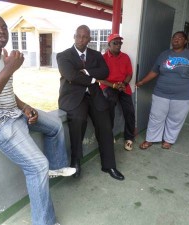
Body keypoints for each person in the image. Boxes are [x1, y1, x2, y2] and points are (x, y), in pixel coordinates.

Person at [0, 15, 75, 225]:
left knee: (55, 125)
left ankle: (56, 167)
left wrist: (24, 107)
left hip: (13, 114)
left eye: (4, 27)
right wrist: (9, 68)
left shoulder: (2, 57)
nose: (1, 31)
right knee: (37, 165)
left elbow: (4, 91)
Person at [56, 25, 124, 181]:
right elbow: (71, 76)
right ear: (74, 36)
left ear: (89, 39)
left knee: (105, 124)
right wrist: (94, 78)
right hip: (73, 97)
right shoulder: (63, 56)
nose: (81, 39)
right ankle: (75, 161)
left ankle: (109, 165)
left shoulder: (96, 54)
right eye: (78, 36)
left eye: (85, 37)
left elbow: (105, 72)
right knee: (78, 121)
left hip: (94, 95)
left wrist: (87, 72)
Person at [136, 31, 189, 150]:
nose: (176, 39)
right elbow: (155, 71)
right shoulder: (164, 54)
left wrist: (183, 81)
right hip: (161, 92)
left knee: (176, 118)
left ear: (185, 41)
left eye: (180, 37)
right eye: (174, 37)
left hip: (183, 94)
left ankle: (168, 140)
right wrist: (142, 82)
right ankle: (150, 139)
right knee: (155, 116)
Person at [99, 33, 135, 151]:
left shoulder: (125, 57)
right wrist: (114, 85)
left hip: (123, 86)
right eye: (115, 43)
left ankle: (129, 138)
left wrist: (123, 84)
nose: (118, 45)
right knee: (109, 105)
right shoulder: (103, 58)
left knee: (129, 110)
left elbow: (129, 74)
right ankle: (109, 135)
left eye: (120, 43)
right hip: (109, 86)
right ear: (109, 44)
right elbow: (100, 78)